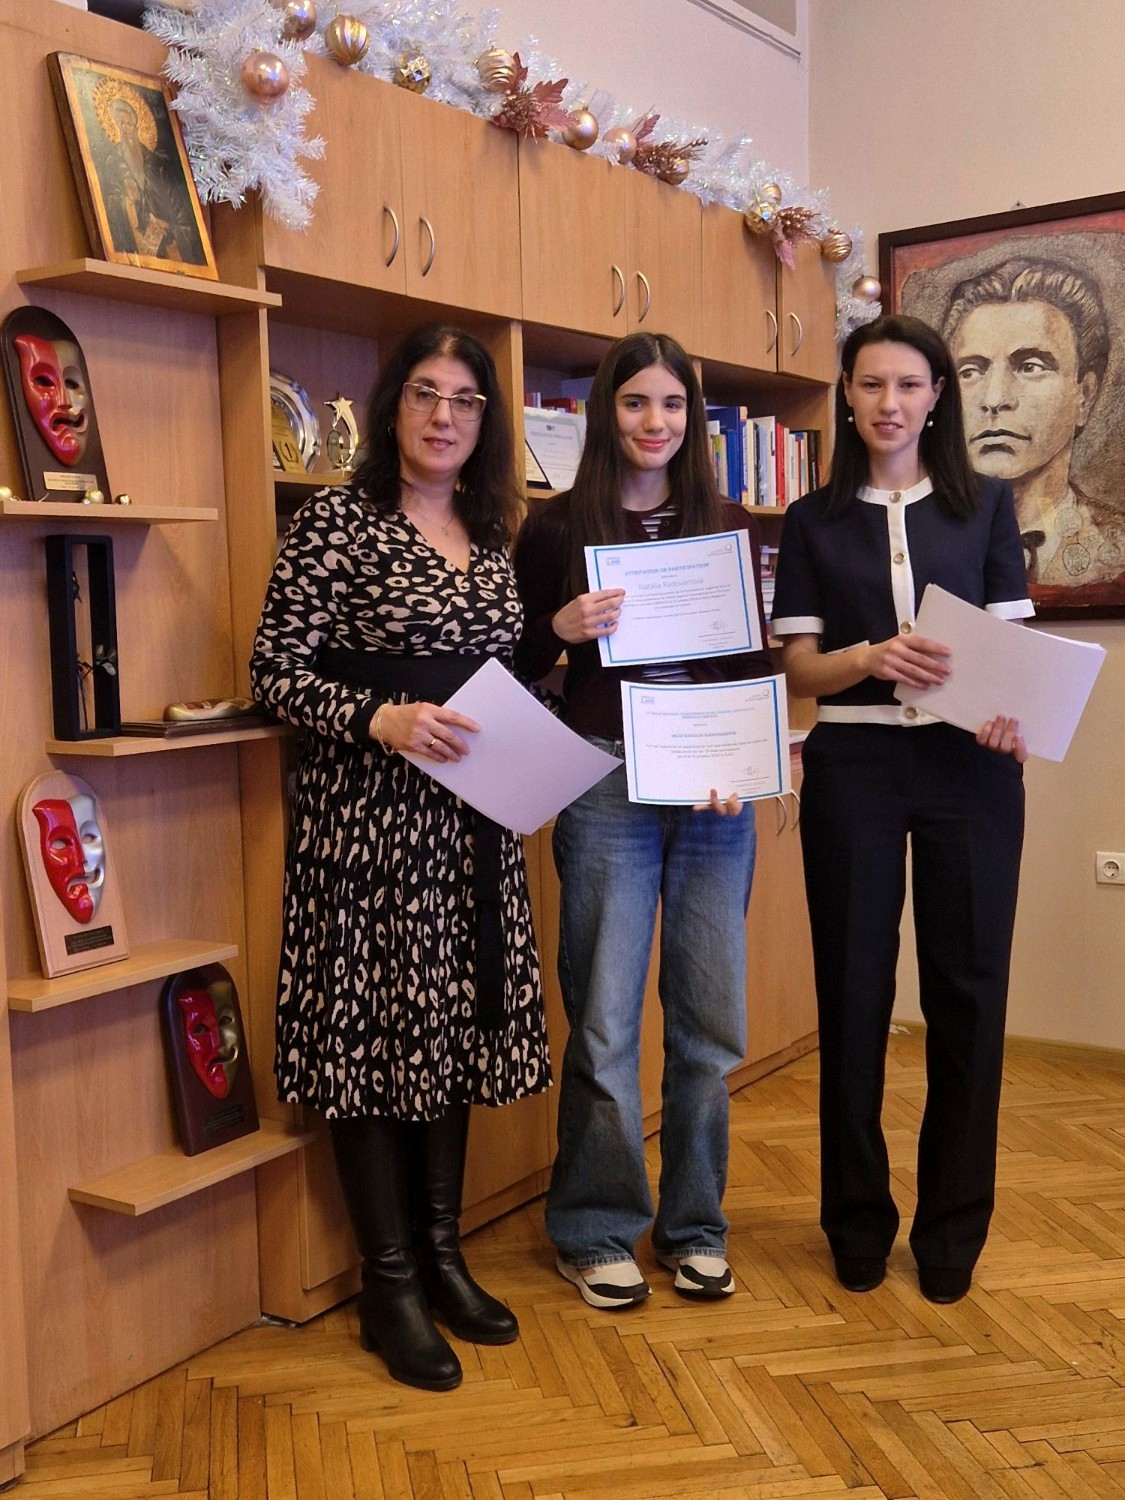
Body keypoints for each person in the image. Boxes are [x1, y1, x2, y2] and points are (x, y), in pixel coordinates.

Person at [250, 323, 550, 1392]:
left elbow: (504, 677)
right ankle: (387, 1285)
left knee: (449, 1038)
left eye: (465, 401)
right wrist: (380, 719)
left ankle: (440, 1256)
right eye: (425, 393)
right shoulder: (334, 522)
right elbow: (275, 672)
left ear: (485, 422)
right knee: (373, 1042)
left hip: (471, 831)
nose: (443, 417)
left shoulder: (493, 531)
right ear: (392, 406)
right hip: (368, 828)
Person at [771, 313, 1032, 1306]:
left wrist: (1011, 719)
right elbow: (799, 671)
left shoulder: (985, 507)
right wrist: (871, 656)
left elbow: (1012, 660)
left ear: (935, 397)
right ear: (846, 394)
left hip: (970, 772)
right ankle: (855, 1223)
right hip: (855, 768)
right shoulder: (812, 519)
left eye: (909, 385)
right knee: (852, 993)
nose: (890, 403)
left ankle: (953, 1232)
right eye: (871, 384)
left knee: (969, 993)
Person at [513, 331, 772, 1310]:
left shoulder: (728, 525)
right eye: (634, 402)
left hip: (711, 795)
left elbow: (749, 665)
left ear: (690, 419)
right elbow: (510, 663)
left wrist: (744, 761)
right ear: (604, 412)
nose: (653, 422)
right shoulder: (555, 529)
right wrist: (558, 630)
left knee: (710, 1023)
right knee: (604, 1020)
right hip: (606, 783)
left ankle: (696, 1225)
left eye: (671, 405)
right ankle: (594, 1228)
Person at [942, 257, 1122, 588]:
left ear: (1084, 395)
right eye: (970, 372)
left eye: (1030, 367)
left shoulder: (1117, 547)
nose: (994, 398)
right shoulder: (919, 540)